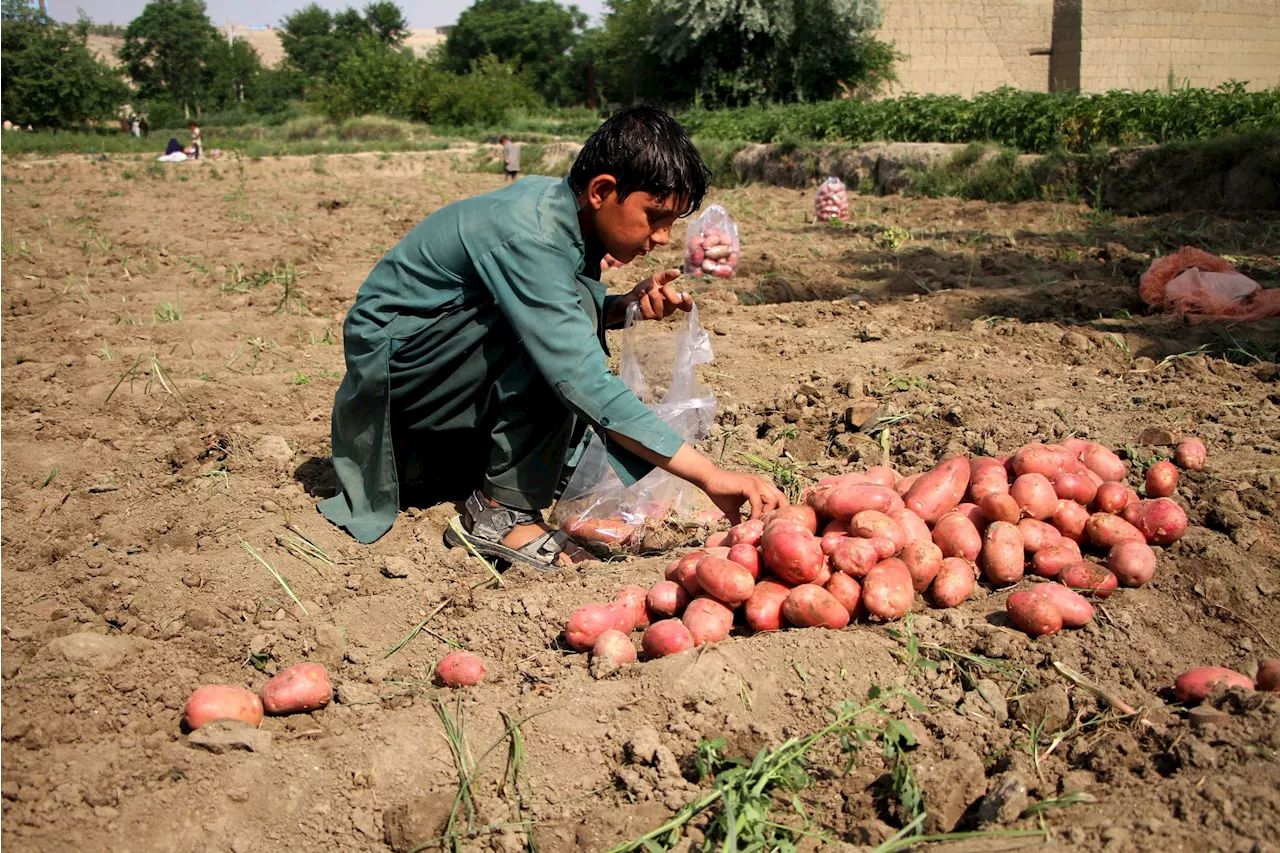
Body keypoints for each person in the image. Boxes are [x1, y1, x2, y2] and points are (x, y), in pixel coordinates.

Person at [319, 106, 786, 565]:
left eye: (672, 223)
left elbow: (553, 303)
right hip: (400, 394)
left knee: (568, 327)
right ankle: (501, 514)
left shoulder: (563, 211)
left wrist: (621, 307)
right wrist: (711, 475)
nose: (663, 237)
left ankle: (526, 477)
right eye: (655, 216)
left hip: (436, 381)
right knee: (560, 352)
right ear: (603, 190)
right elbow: (578, 373)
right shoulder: (533, 234)